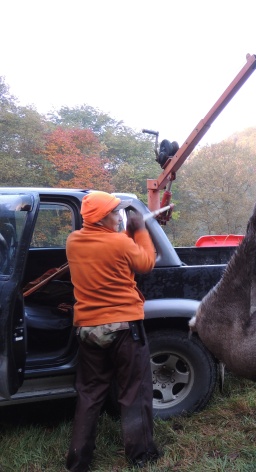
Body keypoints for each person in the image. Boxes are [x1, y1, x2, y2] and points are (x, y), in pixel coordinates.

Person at [65, 191, 160, 471]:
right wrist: (139, 229)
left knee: (90, 393)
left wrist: (125, 233)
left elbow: (104, 249)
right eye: (115, 213)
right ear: (104, 218)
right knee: (133, 391)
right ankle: (140, 456)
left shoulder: (73, 242)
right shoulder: (120, 242)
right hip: (124, 329)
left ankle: (78, 461)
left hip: (88, 330)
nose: (119, 217)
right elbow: (146, 263)